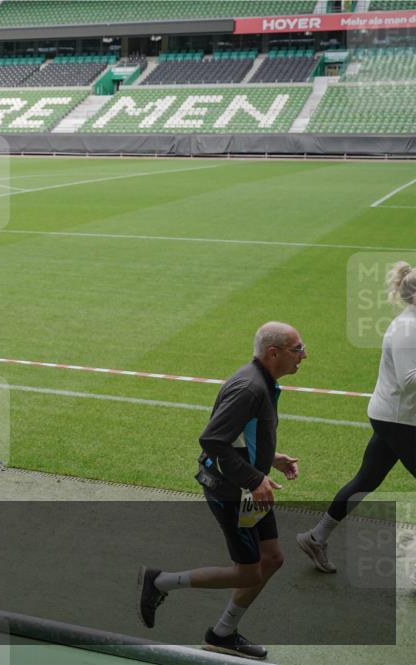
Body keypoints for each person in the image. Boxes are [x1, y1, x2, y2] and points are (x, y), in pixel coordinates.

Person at [138, 322, 306, 660]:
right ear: (273, 353)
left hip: (248, 486)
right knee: (248, 571)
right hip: (231, 491)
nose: (304, 355)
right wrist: (255, 479)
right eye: (297, 348)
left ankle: (223, 633)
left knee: (271, 559)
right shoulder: (250, 387)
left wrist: (269, 460)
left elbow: (238, 436)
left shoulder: (262, 382)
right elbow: (213, 440)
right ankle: (159, 583)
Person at [297, 261, 416, 574]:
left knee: (367, 479)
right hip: (399, 420)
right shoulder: (408, 328)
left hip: (395, 416)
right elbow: (410, 379)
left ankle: (316, 536)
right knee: (367, 478)